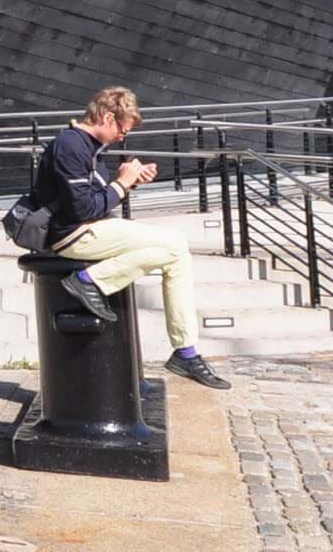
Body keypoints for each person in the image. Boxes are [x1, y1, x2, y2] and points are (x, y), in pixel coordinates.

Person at [31, 84, 230, 389]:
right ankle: (90, 281)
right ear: (108, 118)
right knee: (176, 247)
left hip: (87, 227)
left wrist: (129, 181)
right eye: (123, 129)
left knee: (175, 251)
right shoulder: (70, 146)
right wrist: (121, 185)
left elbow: (94, 198)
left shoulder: (89, 146)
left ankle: (185, 351)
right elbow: (83, 208)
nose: (123, 137)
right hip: (73, 235)